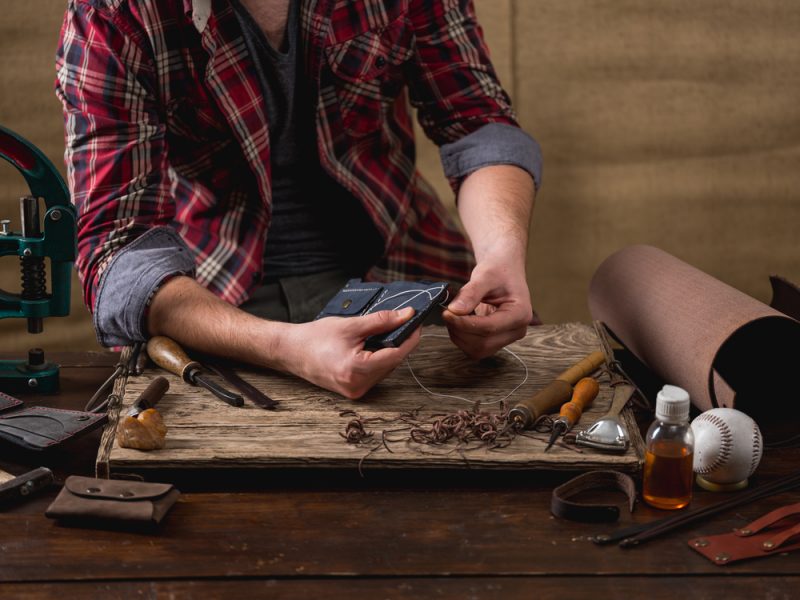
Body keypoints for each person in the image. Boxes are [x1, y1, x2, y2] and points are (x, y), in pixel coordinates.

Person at [55, 0, 542, 399]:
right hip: (213, 297)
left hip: (404, 257)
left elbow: (477, 121)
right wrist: (287, 348)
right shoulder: (114, 14)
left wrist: (501, 251)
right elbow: (117, 250)